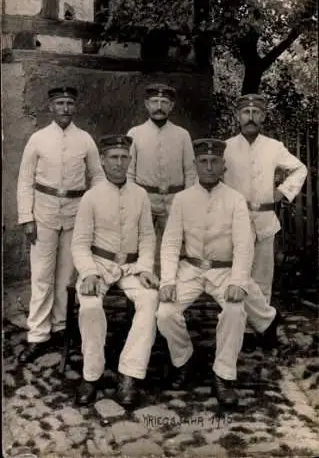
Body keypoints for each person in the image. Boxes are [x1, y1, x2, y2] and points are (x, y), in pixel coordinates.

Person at [156, 138, 280, 408]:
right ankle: (183, 360)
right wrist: (167, 280)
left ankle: (223, 374)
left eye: (215, 162)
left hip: (225, 271)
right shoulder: (182, 199)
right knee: (164, 312)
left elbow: (244, 245)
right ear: (196, 165)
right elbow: (170, 243)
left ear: (223, 166)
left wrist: (238, 281)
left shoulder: (235, 200)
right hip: (189, 270)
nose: (209, 167)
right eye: (204, 161)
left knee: (236, 310)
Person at [17, 86, 105, 363]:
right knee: (42, 274)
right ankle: (38, 334)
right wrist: (26, 218)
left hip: (76, 215)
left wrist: (95, 213)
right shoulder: (38, 139)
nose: (65, 108)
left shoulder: (85, 140)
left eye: (69, 103)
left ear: (75, 107)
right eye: (60, 103)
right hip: (43, 213)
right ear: (50, 107)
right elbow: (25, 181)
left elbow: (98, 177)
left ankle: (61, 327)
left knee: (67, 276)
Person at [71, 135, 159, 406]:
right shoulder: (91, 197)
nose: (119, 163)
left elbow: (147, 236)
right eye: (113, 157)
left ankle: (129, 374)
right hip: (99, 264)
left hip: (131, 267)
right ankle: (91, 374)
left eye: (124, 157)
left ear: (130, 160)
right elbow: (80, 243)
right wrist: (88, 273)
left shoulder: (140, 195)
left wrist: (145, 267)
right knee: (89, 305)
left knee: (150, 298)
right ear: (103, 161)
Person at [224, 94, 307, 304]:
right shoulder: (225, 147)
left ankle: (260, 330)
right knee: (235, 276)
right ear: (238, 116)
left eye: (256, 113)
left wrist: (282, 191)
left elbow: (300, 168)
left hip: (264, 221)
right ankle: (238, 326)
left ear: (263, 117)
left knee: (262, 278)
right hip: (234, 221)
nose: (250, 117)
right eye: (246, 112)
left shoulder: (274, 147)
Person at [127, 83, 197, 266]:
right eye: (155, 101)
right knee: (144, 247)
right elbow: (129, 172)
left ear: (171, 106)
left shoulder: (182, 135)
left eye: (164, 102)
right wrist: (134, 200)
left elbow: (190, 172)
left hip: (174, 200)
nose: (159, 106)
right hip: (146, 199)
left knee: (171, 249)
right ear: (146, 104)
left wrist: (187, 202)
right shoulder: (135, 134)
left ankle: (168, 288)